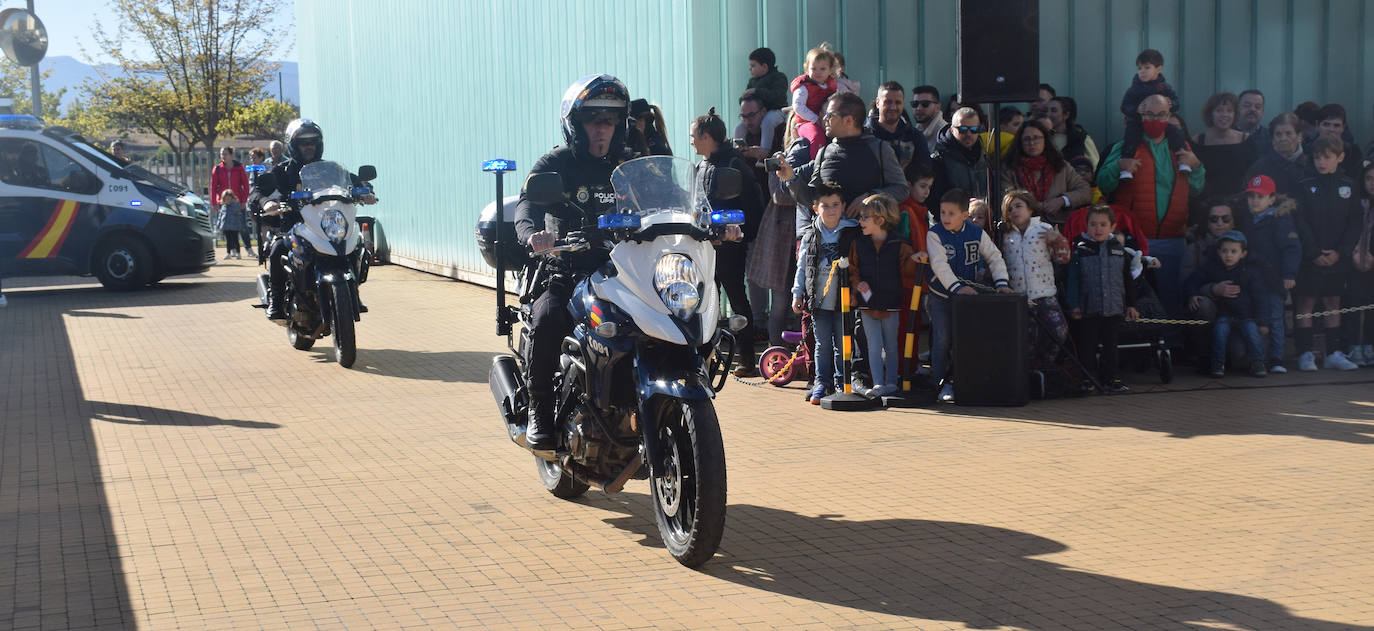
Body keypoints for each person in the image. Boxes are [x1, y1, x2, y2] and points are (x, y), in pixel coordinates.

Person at [513, 75, 634, 451]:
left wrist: (698, 222)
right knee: (548, 319)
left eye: (610, 120)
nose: (602, 128)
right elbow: (527, 204)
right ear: (575, 124)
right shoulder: (557, 162)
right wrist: (533, 234)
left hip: (620, 269)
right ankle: (540, 412)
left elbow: (664, 199)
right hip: (565, 268)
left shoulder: (629, 164)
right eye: (594, 119)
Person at [1097, 94, 1206, 320]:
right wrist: (1119, 166)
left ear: (1169, 116)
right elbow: (1103, 183)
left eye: (1161, 114)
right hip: (1134, 241)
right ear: (1140, 115)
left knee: (1171, 298)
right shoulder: (1124, 147)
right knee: (1132, 299)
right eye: (1149, 114)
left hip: (1172, 238)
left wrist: (1196, 167)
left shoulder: (1182, 149)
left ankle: (1172, 347)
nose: (1155, 119)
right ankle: (1138, 350)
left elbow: (1196, 188)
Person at [691, 107, 764, 377]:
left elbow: (753, 206)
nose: (691, 141)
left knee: (735, 297)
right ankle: (704, 358)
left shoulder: (734, 166)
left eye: (693, 135)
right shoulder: (700, 166)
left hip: (729, 246)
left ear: (707, 136)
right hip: (703, 246)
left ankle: (746, 359)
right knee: (703, 299)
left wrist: (740, 233)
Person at [926, 189, 1013, 403]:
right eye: (943, 212)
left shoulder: (976, 233)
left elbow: (994, 257)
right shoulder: (934, 234)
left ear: (965, 215)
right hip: (942, 297)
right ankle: (941, 384)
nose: (945, 217)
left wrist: (1001, 283)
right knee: (942, 340)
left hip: (969, 300)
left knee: (967, 341)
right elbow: (939, 265)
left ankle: (964, 382)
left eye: (951, 213)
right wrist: (957, 288)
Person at [1293, 135, 1363, 372]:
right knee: (1306, 302)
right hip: (1309, 258)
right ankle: (1305, 353)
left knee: (1333, 302)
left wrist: (1340, 252)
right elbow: (1299, 221)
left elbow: (1355, 222)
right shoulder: (1303, 184)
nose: (1321, 161)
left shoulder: (1350, 185)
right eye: (1317, 157)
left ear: (1340, 158)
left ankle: (1333, 352)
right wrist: (1313, 252)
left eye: (1327, 157)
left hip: (1337, 258)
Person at [780, 91, 907, 214]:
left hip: (868, 233)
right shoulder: (824, 152)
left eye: (830, 115)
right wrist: (791, 179)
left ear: (848, 121)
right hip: (832, 235)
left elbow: (901, 189)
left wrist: (870, 198)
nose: (824, 118)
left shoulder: (880, 149)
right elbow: (814, 199)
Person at [847, 193, 923, 397]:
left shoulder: (900, 244)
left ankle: (891, 381)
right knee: (873, 344)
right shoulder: (858, 244)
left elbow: (907, 271)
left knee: (891, 344)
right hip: (867, 303)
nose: (860, 221)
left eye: (865, 217)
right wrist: (857, 283)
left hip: (891, 301)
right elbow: (853, 269)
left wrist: (915, 259)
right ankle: (878, 382)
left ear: (880, 220)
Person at [791, 181, 859, 404]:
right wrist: (797, 293)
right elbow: (802, 267)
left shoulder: (851, 231)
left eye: (835, 205)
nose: (830, 210)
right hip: (818, 301)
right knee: (821, 345)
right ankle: (822, 382)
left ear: (843, 206)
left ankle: (841, 382)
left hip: (843, 301)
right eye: (825, 205)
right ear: (815, 208)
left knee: (842, 343)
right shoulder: (810, 235)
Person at [1066, 205, 1140, 394]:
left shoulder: (1119, 250)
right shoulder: (1080, 251)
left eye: (1103, 224)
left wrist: (1131, 305)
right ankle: (1087, 379)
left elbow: (1128, 280)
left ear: (1112, 226)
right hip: (1088, 308)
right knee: (1087, 347)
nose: (1098, 229)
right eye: (1093, 224)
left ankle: (1112, 379)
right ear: (1086, 226)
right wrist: (1073, 304)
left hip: (1114, 307)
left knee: (1111, 346)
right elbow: (1073, 280)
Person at [1001, 190, 1071, 372]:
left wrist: (1058, 241)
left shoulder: (1044, 229)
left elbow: (1063, 259)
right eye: (1009, 209)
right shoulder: (1006, 235)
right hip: (1019, 298)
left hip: (1045, 295)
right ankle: (1031, 374)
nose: (1014, 211)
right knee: (1026, 339)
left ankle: (1046, 365)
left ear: (1030, 208)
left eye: (1018, 206)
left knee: (1058, 331)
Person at [1237, 175, 1301, 373]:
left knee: (1274, 319)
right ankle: (1259, 358)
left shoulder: (1280, 220)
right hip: (1253, 281)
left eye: (1261, 196)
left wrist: (1289, 274)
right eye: (1252, 196)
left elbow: (1291, 248)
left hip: (1273, 280)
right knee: (1258, 318)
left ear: (1272, 199)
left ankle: (1276, 358)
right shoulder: (1248, 220)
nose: (1255, 201)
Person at [1185, 231, 1271, 378]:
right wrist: (1192, 294)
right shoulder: (1212, 268)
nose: (1228, 255)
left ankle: (1257, 362)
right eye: (1224, 251)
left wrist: (1263, 322)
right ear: (1218, 252)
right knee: (1219, 334)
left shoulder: (1249, 272)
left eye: (1233, 251)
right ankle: (1218, 363)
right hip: (1223, 315)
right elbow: (1193, 280)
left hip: (1246, 316)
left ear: (1243, 254)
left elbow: (1260, 297)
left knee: (1253, 334)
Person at [999, 119, 1091, 226]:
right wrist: (1036, 205)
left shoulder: (1061, 166)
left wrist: (1062, 200)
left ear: (1045, 140)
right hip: (1023, 227)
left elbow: (1085, 191)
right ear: (1020, 142)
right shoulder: (1010, 168)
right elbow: (1008, 196)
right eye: (1026, 139)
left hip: (1058, 226)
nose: (1032, 143)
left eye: (1036, 138)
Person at [1118, 49, 1186, 180]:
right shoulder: (1134, 88)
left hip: (1161, 125)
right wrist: (1136, 109)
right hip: (1138, 123)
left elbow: (1177, 102)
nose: (1142, 71)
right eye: (1139, 68)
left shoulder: (1165, 87)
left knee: (1177, 133)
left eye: (1147, 67)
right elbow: (1124, 106)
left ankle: (1183, 159)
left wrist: (1171, 103)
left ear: (1159, 69)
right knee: (1130, 138)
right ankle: (1127, 168)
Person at [1191, 92, 1258, 200]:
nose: (1224, 115)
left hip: (1239, 202)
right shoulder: (1198, 141)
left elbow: (1254, 175)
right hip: (1206, 203)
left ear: (1235, 114)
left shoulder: (1246, 140)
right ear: (1210, 114)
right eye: (1219, 111)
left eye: (1229, 111)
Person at [865, 81, 932, 171]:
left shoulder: (915, 137)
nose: (893, 107)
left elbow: (924, 174)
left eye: (898, 103)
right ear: (877, 103)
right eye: (888, 102)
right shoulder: (865, 136)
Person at [929, 107, 990, 204]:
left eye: (974, 129)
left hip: (981, 216)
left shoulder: (984, 155)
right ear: (952, 130)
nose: (969, 134)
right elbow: (934, 200)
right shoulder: (939, 159)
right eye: (963, 129)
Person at [1345, 162, 1374, 366]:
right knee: (1354, 304)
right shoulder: (1355, 203)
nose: (1373, 183)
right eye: (1369, 178)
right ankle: (1354, 345)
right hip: (1353, 260)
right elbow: (1347, 229)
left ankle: (1369, 345)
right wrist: (1353, 252)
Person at [790, 45, 838, 160]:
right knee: (817, 136)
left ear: (830, 70)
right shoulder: (803, 87)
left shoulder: (831, 86)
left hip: (824, 120)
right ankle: (816, 165)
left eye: (822, 69)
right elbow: (798, 106)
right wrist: (815, 119)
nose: (818, 72)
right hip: (805, 122)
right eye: (813, 69)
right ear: (807, 69)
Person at [1245, 113, 1310, 198]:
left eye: (1288, 133)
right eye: (1278, 134)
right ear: (1273, 138)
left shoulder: (1312, 165)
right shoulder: (1259, 168)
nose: (1283, 138)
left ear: (1299, 136)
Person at [1045, 96, 1100, 177]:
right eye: (1046, 111)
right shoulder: (1043, 137)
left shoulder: (1081, 138)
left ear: (1066, 115)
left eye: (1054, 111)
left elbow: (1094, 166)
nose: (1048, 114)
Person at [1314, 104, 1363, 180]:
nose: (1331, 129)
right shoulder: (1308, 150)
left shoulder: (1353, 153)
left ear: (1343, 127)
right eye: (1326, 124)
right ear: (1317, 125)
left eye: (1336, 125)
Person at [735, 89, 783, 166]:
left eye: (751, 115)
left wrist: (766, 155)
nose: (747, 121)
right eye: (744, 117)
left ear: (763, 112)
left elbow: (787, 165)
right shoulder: (744, 134)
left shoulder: (780, 132)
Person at [214, 190, 249, 259]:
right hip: (226, 227)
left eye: (229, 199)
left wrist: (240, 225)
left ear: (232, 198)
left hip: (234, 227)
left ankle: (238, 253)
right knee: (228, 240)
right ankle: (228, 253)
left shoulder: (236, 206)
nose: (227, 200)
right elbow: (220, 217)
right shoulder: (223, 207)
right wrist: (218, 225)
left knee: (235, 240)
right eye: (225, 199)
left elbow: (239, 216)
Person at [1236, 89, 1271, 157]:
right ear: (1237, 108)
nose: (1252, 109)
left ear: (1262, 111)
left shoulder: (1271, 137)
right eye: (1247, 105)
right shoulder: (1225, 136)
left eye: (1257, 107)